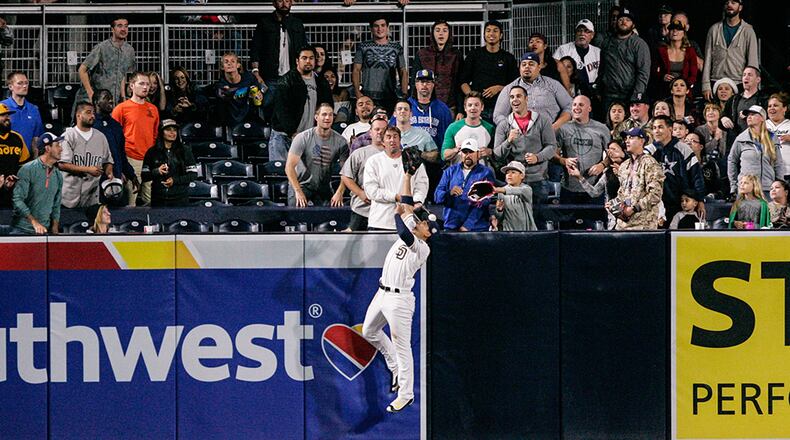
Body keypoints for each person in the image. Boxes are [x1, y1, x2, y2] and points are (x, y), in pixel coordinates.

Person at [361, 165, 436, 414]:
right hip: (382, 293)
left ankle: (406, 394)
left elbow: (403, 231)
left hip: (400, 300)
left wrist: (396, 215)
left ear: (428, 233)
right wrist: (408, 174)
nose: (422, 223)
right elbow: (405, 203)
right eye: (422, 221)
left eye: (425, 225)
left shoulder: (422, 248)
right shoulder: (414, 229)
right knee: (369, 331)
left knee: (403, 346)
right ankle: (393, 366)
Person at [493, 85, 557, 204]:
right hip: (514, 182)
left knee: (539, 220)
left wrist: (537, 157)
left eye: (518, 96)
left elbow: (552, 147)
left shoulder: (542, 121)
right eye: (511, 97)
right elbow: (497, 154)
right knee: (515, 218)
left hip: (538, 180)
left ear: (526, 99)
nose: (515, 100)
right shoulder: (503, 125)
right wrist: (508, 141)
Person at [270, 46, 332, 161]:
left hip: (309, 138)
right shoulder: (286, 81)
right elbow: (281, 110)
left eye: (311, 58)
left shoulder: (321, 82)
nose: (308, 61)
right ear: (297, 61)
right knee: (279, 176)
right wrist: (292, 133)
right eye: (304, 58)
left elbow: (328, 107)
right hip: (284, 138)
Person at [363, 126, 429, 230]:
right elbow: (371, 190)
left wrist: (416, 201)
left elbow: (422, 185)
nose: (392, 140)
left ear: (400, 140)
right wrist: (396, 197)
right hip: (380, 222)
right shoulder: (373, 161)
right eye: (388, 137)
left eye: (395, 137)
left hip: (408, 222)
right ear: (383, 141)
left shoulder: (413, 160)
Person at [285, 103, 348, 207]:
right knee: (296, 217)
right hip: (301, 184)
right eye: (324, 114)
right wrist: (298, 191)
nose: (327, 118)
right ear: (316, 117)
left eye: (330, 115)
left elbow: (346, 171)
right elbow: (289, 167)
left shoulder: (341, 141)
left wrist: (339, 192)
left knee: (332, 218)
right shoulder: (302, 138)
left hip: (323, 185)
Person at [647, 115, 706, 224]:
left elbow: (696, 176)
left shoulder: (684, 149)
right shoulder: (648, 151)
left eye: (660, 127)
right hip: (654, 207)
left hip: (680, 205)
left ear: (670, 129)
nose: (656, 131)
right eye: (654, 128)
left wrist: (700, 200)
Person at [111, 71, 159, 206]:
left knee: (150, 201)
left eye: (148, 84)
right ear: (132, 86)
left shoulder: (153, 109)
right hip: (130, 158)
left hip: (149, 160)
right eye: (141, 83)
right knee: (130, 202)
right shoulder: (121, 109)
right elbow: (114, 137)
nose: (146, 87)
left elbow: (155, 134)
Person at [493, 52, 572, 130]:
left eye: (531, 64)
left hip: (551, 132)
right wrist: (513, 129)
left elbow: (569, 106)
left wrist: (556, 126)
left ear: (539, 67)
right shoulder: (509, 89)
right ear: (520, 68)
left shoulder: (553, 85)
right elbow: (498, 115)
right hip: (521, 137)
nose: (527, 67)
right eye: (524, 64)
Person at [555, 95, 611, 204]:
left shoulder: (602, 129)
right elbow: (553, 154)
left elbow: (613, 155)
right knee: (567, 221)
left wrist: (602, 165)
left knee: (593, 221)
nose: (576, 107)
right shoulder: (563, 129)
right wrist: (564, 161)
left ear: (589, 108)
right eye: (574, 104)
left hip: (594, 189)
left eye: (581, 105)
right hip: (569, 188)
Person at [459, 20, 518, 122]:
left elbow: (515, 85)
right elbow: (463, 81)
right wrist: (473, 96)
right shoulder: (474, 55)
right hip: (478, 109)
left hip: (502, 108)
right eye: (488, 30)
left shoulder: (508, 58)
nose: (491, 33)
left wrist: (499, 88)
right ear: (484, 34)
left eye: (495, 31)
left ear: (501, 35)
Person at [701, 0, 759, 102]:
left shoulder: (748, 31)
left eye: (733, 2)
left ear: (740, 7)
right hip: (716, 81)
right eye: (727, 2)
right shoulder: (714, 29)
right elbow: (708, 59)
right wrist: (705, 85)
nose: (730, 5)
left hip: (738, 82)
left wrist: (751, 86)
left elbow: (752, 62)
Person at [59, 101, 114, 209]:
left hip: (92, 197)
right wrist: (88, 169)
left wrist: (109, 172)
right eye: (88, 112)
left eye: (93, 113)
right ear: (78, 115)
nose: (92, 116)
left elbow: (108, 161)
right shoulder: (68, 136)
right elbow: (62, 164)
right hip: (69, 197)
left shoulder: (100, 136)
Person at [249, 0, 308, 100]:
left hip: (292, 76)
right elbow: (255, 49)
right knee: (268, 110)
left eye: (287, 1)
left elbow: (304, 49)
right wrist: (256, 72)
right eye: (280, 1)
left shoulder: (297, 24)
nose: (284, 4)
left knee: (290, 111)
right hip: (269, 76)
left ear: (291, 3)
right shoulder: (264, 23)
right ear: (274, 3)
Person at [597, 7, 651, 114]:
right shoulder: (607, 43)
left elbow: (643, 72)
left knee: (628, 128)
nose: (624, 22)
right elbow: (602, 68)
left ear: (633, 25)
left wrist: (637, 95)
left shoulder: (639, 44)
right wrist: (598, 89)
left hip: (629, 96)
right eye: (621, 19)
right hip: (608, 95)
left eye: (628, 20)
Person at [434, 138, 496, 231]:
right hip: (451, 225)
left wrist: (468, 225)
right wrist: (449, 193)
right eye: (465, 152)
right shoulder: (450, 171)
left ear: (478, 154)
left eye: (471, 152)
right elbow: (437, 197)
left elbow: (484, 202)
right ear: (461, 154)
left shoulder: (486, 173)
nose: (468, 155)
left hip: (476, 228)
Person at [609, 127, 665, 230]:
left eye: (631, 137)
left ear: (642, 141)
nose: (627, 141)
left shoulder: (650, 163)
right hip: (622, 226)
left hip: (643, 226)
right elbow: (622, 192)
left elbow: (655, 194)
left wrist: (634, 208)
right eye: (626, 138)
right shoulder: (624, 165)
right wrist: (615, 205)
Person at [74, 16, 135, 110]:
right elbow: (82, 70)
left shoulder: (129, 50)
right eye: (119, 26)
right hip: (94, 101)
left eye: (126, 26)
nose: (123, 29)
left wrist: (123, 97)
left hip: (112, 101)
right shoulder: (101, 48)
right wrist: (91, 94)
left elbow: (122, 74)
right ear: (112, 29)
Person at [339, 116, 388, 231]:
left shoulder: (395, 155)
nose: (380, 132)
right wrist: (360, 193)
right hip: (361, 208)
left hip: (386, 209)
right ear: (370, 132)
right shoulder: (359, 153)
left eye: (384, 130)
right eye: (377, 129)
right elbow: (346, 176)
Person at [11, 132, 64, 235]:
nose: (61, 149)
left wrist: (55, 226)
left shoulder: (58, 175)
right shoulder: (27, 169)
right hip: (22, 230)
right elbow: (17, 200)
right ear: (47, 148)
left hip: (44, 231)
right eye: (57, 145)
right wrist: (34, 222)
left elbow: (56, 205)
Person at [352, 17, 408, 113]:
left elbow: (403, 71)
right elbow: (356, 70)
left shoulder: (397, 48)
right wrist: (357, 92)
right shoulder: (363, 46)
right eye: (376, 26)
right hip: (367, 96)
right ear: (371, 28)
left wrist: (404, 94)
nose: (380, 29)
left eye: (383, 25)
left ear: (387, 27)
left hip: (390, 96)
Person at [568, 139, 626, 229]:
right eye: (609, 150)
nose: (611, 152)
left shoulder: (633, 168)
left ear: (624, 151)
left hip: (631, 217)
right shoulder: (608, 173)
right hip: (613, 220)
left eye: (614, 149)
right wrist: (579, 177)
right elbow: (594, 193)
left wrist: (622, 174)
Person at [728, 105, 783, 198]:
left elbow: (778, 164)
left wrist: (779, 185)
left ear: (762, 118)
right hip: (746, 189)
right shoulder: (740, 139)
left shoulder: (773, 138)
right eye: (748, 115)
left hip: (767, 189)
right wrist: (733, 185)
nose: (749, 117)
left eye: (753, 114)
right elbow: (732, 161)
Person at [141, 119, 198, 207]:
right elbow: (144, 176)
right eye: (168, 130)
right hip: (158, 199)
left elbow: (193, 175)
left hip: (180, 199)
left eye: (174, 130)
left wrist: (174, 181)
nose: (172, 133)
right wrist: (156, 171)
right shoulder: (152, 152)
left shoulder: (185, 150)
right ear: (161, 132)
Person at [93, 89, 138, 199]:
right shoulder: (91, 125)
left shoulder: (116, 126)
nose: (111, 100)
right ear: (96, 102)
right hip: (95, 181)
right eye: (106, 98)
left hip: (116, 179)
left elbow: (121, 154)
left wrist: (131, 175)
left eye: (111, 98)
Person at [412, 20, 463, 113]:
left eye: (445, 30)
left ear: (449, 34)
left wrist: (460, 110)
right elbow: (414, 82)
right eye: (438, 30)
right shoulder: (422, 54)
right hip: (426, 105)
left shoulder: (456, 55)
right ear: (432, 33)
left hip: (450, 105)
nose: (441, 33)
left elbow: (459, 82)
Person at [399, 69, 453, 149]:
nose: (424, 85)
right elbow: (393, 130)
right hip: (408, 157)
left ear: (433, 84)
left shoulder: (443, 109)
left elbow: (449, 136)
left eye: (428, 82)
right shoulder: (405, 106)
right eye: (421, 82)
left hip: (434, 157)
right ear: (416, 84)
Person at [211, 52, 263, 129]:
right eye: (226, 62)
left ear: (238, 65)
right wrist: (248, 90)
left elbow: (262, 88)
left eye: (233, 61)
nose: (229, 64)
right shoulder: (220, 84)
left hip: (249, 117)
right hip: (229, 121)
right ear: (222, 67)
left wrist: (261, 93)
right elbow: (228, 93)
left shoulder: (249, 78)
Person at [442, 91, 494, 165]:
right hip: (458, 173)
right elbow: (444, 155)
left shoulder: (490, 128)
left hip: (482, 173)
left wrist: (490, 152)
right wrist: (455, 150)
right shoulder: (453, 127)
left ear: (482, 107)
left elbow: (498, 155)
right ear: (465, 108)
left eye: (476, 105)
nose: (473, 108)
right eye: (470, 105)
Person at [552, 19, 600, 99]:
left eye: (586, 31)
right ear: (575, 33)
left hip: (593, 92)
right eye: (579, 31)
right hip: (568, 91)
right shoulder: (563, 49)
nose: (582, 34)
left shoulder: (598, 52)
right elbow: (553, 70)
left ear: (592, 35)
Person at [721, 66, 765, 150]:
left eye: (750, 75)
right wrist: (723, 118)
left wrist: (752, 117)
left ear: (758, 80)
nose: (746, 77)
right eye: (744, 75)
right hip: (735, 143)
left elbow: (768, 121)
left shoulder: (763, 99)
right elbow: (723, 116)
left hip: (756, 143)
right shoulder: (734, 99)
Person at [2, 71, 44, 158]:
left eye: (26, 83)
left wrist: (34, 164)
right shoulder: (2, 107)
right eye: (20, 83)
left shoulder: (34, 109)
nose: (24, 86)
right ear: (10, 87)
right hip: (6, 161)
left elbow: (35, 139)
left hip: (27, 161)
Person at [653, 18, 698, 98]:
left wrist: (684, 85)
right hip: (665, 90)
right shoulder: (661, 50)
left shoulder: (690, 51)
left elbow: (693, 75)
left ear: (684, 33)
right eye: (672, 29)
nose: (675, 31)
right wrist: (662, 76)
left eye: (678, 29)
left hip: (684, 92)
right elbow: (654, 71)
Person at [491, 160, 536, 231]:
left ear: (522, 175)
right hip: (508, 232)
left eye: (513, 172)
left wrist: (499, 190)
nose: (509, 175)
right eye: (507, 173)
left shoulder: (527, 189)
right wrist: (499, 210)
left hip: (527, 232)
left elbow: (519, 191)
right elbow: (499, 217)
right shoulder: (501, 192)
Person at [0, 102, 29, 208]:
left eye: (8, 115)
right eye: (3, 115)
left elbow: (24, 164)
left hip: (13, 190)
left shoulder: (17, 137)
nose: (7, 118)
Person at [766, 92, 790, 179]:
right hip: (767, 174)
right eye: (769, 106)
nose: (771, 108)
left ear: (784, 108)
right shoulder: (761, 126)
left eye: (775, 105)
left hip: (787, 173)